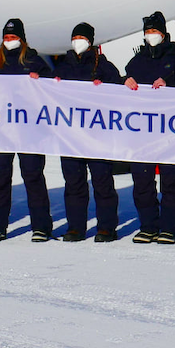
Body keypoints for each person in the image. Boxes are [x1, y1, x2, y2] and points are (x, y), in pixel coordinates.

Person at [123, 11, 175, 244]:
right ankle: (148, 226)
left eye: (154, 31)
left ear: (163, 34)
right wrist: (125, 82)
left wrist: (170, 85)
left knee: (170, 181)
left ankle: (169, 228)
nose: (151, 36)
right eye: (147, 32)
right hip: (143, 132)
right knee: (142, 181)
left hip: (170, 131)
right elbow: (123, 82)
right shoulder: (137, 60)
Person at [0, 18, 54, 242]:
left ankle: (41, 226)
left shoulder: (34, 61)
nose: (9, 41)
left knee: (33, 177)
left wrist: (42, 80)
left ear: (21, 38)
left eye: (13, 37)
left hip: (29, 130)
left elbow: (50, 88)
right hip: (1, 130)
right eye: (6, 37)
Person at [51, 21, 122, 242]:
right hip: (70, 136)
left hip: (97, 134)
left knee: (102, 181)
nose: (77, 42)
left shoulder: (103, 65)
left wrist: (105, 86)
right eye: (75, 38)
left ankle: (106, 227)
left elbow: (118, 89)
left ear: (90, 41)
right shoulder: (64, 65)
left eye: (81, 38)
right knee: (74, 183)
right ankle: (75, 227)